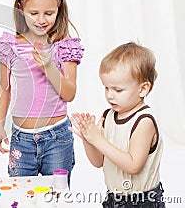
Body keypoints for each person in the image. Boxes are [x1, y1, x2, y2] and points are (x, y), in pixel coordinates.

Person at [0, 0, 84, 180]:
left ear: (58, 11)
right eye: (33, 13)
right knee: (20, 196)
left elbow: (69, 94)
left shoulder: (64, 46)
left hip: (57, 138)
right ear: (21, 10)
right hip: (21, 140)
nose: (41, 20)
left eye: (49, 13)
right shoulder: (10, 45)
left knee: (56, 197)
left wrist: (49, 67)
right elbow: (4, 88)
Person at [69, 42, 165, 207]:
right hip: (114, 198)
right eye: (106, 88)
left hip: (142, 201)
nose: (110, 96)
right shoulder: (108, 116)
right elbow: (99, 162)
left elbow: (133, 166)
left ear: (143, 89)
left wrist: (98, 139)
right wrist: (89, 140)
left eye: (118, 90)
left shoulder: (144, 122)